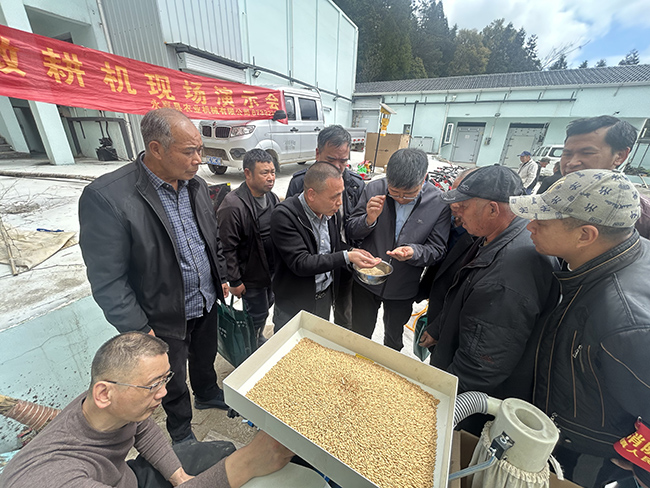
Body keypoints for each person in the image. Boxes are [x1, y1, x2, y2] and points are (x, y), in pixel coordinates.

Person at [79, 108, 230, 445]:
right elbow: (107, 280)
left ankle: (207, 392)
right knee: (169, 380)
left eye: (200, 150)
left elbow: (210, 238)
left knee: (205, 357)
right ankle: (181, 431)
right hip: (161, 316)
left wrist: (219, 277)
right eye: (189, 151)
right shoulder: (108, 197)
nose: (198, 159)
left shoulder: (195, 185)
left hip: (205, 300)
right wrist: (137, 327)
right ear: (156, 149)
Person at [0, 332, 293, 488]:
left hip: (125, 477)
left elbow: (141, 427)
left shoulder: (109, 405)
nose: (163, 393)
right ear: (103, 393)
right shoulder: (57, 479)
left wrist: (179, 478)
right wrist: (246, 463)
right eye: (153, 385)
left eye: (165, 379)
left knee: (221, 451)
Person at [509, 169, 650, 488]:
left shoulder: (625, 322)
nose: (529, 226)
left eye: (542, 222)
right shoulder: (605, 260)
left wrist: (642, 467)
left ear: (585, 235)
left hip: (587, 454)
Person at [419, 165, 559, 403]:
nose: (457, 213)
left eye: (463, 207)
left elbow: (480, 366)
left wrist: (436, 398)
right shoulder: (495, 235)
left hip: (472, 398)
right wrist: (440, 328)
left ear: (493, 209)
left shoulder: (506, 277)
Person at [346, 148, 450, 351]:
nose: (401, 198)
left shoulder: (438, 202)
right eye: (394, 193)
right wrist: (368, 219)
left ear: (424, 178)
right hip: (367, 280)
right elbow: (351, 230)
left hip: (404, 286)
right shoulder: (374, 188)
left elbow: (438, 249)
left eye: (409, 194)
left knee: (394, 339)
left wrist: (414, 252)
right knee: (359, 334)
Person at [271, 162, 379, 330]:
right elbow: (301, 262)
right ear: (311, 194)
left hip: (324, 297)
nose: (339, 203)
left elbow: (332, 247)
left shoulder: (330, 213)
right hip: (293, 303)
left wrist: (353, 251)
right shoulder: (285, 216)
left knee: (318, 341)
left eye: (341, 194)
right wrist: (347, 256)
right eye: (334, 197)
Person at [285, 125, 365, 329]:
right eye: (331, 160)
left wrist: (367, 224)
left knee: (342, 314)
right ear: (317, 153)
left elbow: (352, 227)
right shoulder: (299, 185)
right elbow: (293, 241)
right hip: (309, 270)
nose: (338, 166)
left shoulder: (355, 184)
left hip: (341, 260)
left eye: (343, 161)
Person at [218, 149, 279, 347]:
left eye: (272, 172)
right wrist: (235, 280)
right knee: (255, 314)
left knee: (266, 307)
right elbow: (227, 248)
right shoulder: (233, 206)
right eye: (264, 173)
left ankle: (258, 336)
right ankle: (250, 347)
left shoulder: (271, 197)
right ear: (247, 173)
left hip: (270, 271)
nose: (270, 178)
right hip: (250, 276)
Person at [559, 115, 650, 238]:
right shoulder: (553, 197)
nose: (572, 163)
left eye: (587, 153)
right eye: (567, 154)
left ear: (620, 156)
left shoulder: (643, 218)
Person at [420, 168, 477, 341]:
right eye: (453, 192)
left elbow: (463, 294)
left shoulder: (479, 235)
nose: (454, 203)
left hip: (449, 317)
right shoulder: (446, 216)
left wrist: (437, 328)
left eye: (462, 199)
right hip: (434, 296)